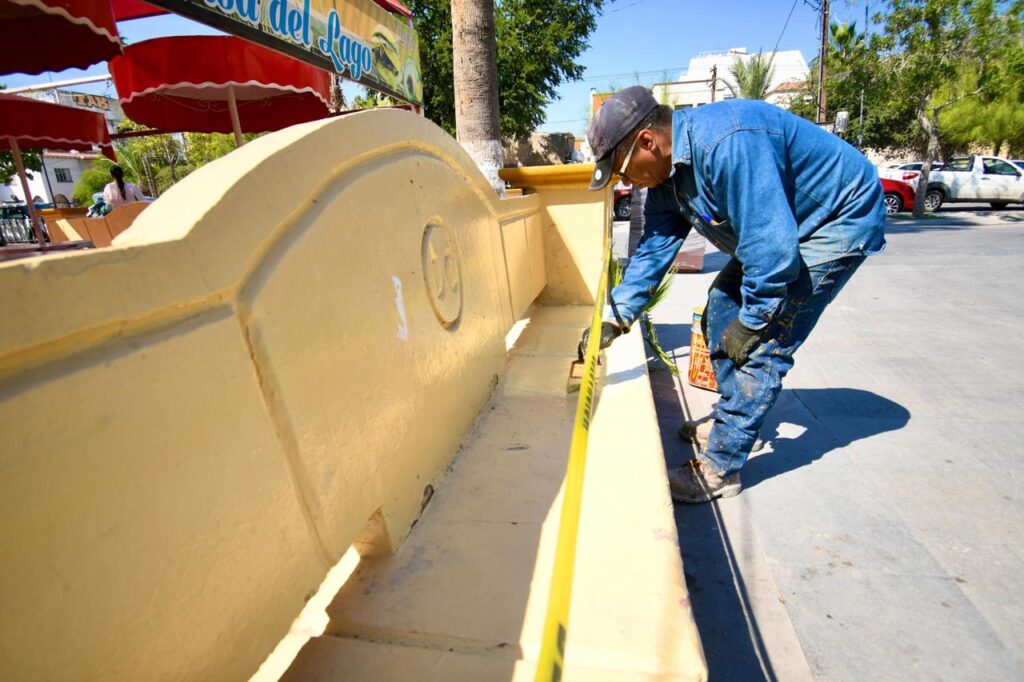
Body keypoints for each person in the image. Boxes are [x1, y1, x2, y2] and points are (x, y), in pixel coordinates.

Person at [582, 86, 886, 504]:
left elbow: (771, 249)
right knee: (722, 309)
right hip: (779, 231)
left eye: (622, 171)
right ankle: (734, 420)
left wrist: (755, 321)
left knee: (766, 341)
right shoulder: (667, 181)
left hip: (837, 218)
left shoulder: (729, 143)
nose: (626, 182)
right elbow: (653, 250)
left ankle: (721, 466)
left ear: (647, 142)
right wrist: (616, 316)